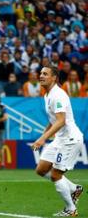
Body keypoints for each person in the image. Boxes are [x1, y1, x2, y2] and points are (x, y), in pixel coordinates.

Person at [31, 66, 84, 217]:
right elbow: (52, 120)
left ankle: (71, 209)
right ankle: (75, 189)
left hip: (70, 140)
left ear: (54, 78)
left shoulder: (58, 95)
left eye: (45, 74)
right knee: (41, 169)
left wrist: (43, 139)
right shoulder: (47, 95)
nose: (41, 76)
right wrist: (42, 135)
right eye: (40, 73)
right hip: (60, 139)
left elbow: (60, 121)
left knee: (55, 175)